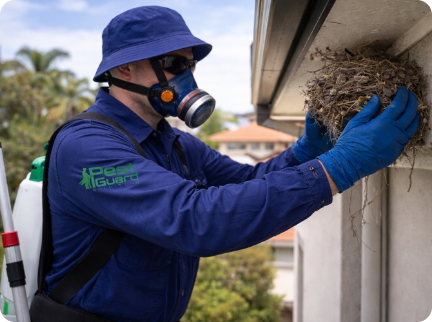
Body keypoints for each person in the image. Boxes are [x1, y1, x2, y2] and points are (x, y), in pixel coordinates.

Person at [42, 5, 419, 322]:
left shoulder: (176, 144)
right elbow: (197, 221)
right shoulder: (87, 148)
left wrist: (304, 153)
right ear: (124, 70)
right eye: (174, 63)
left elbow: (246, 180)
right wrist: (340, 166)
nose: (187, 77)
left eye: (190, 65)